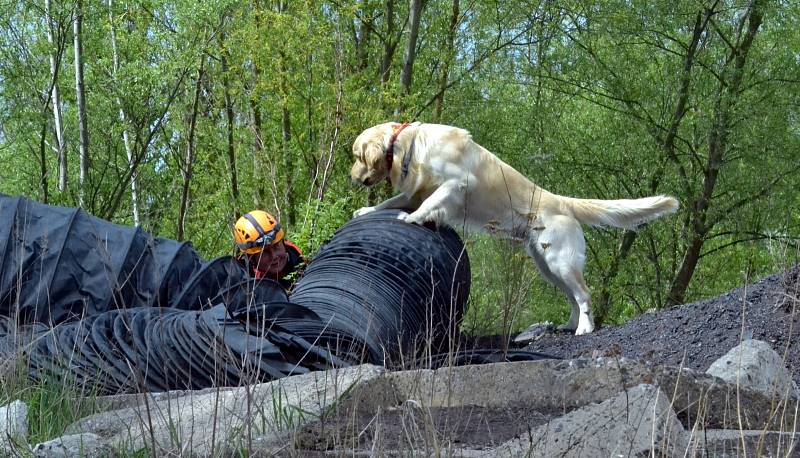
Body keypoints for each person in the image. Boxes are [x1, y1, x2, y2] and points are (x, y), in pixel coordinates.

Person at [234, 210, 304, 289]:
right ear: (251, 258)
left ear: (283, 243)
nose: (274, 256)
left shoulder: (297, 259)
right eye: (265, 252)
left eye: (276, 246)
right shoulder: (242, 279)